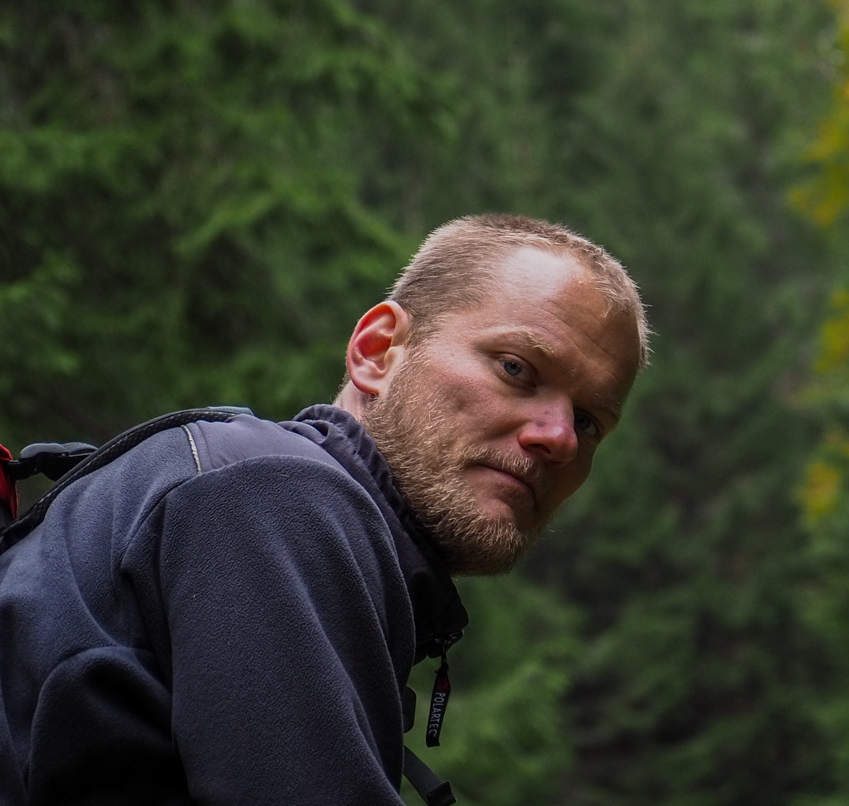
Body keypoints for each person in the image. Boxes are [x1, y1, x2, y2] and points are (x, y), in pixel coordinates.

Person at [0, 214, 647, 806]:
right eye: (516, 368)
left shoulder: (266, 499)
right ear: (377, 351)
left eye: (589, 422)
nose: (559, 439)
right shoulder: (278, 496)